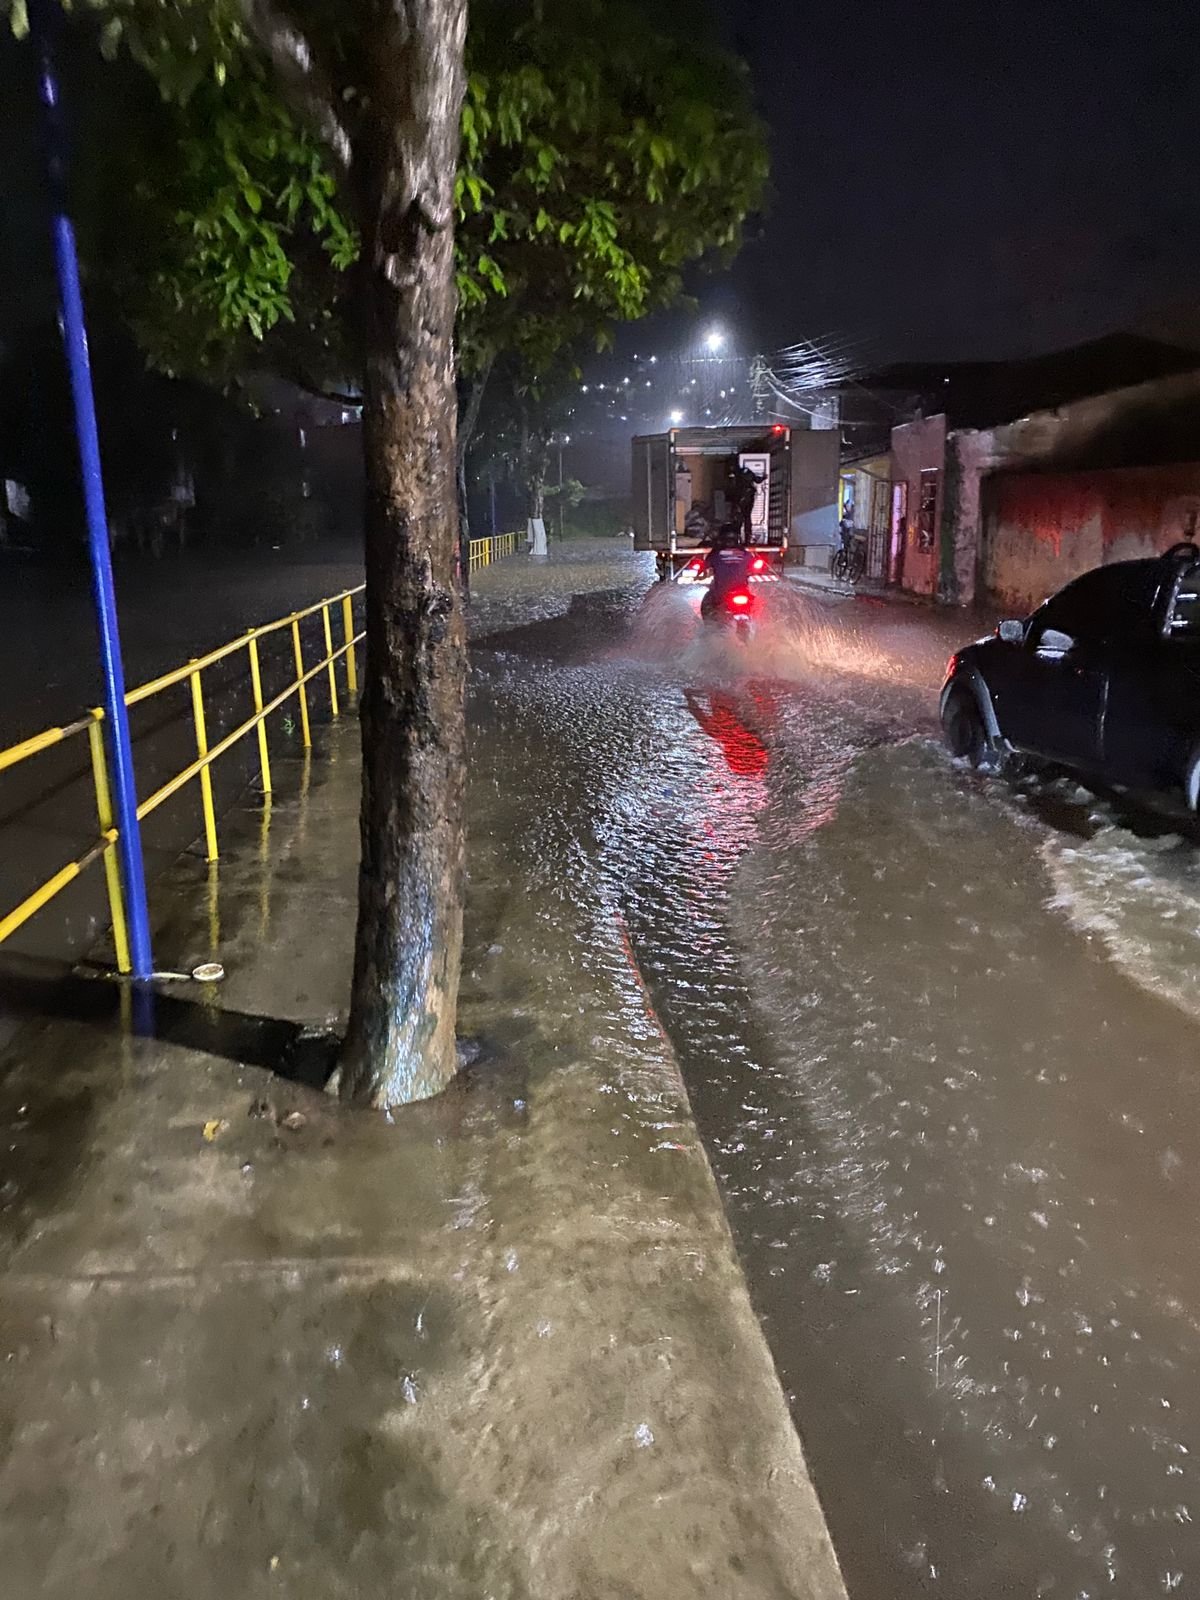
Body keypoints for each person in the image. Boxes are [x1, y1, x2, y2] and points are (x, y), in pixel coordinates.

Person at [700, 524, 753, 619]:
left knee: (709, 605)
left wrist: (700, 574)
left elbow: (706, 565)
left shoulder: (715, 554)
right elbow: (752, 567)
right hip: (742, 592)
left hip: (721, 593)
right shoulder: (745, 554)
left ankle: (710, 628)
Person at [728, 461, 765, 544]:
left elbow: (731, 488)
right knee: (747, 518)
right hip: (748, 498)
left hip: (739, 499)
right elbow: (757, 480)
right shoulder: (746, 472)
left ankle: (738, 537)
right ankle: (747, 537)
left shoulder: (734, 476)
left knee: (739, 519)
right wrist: (763, 477)